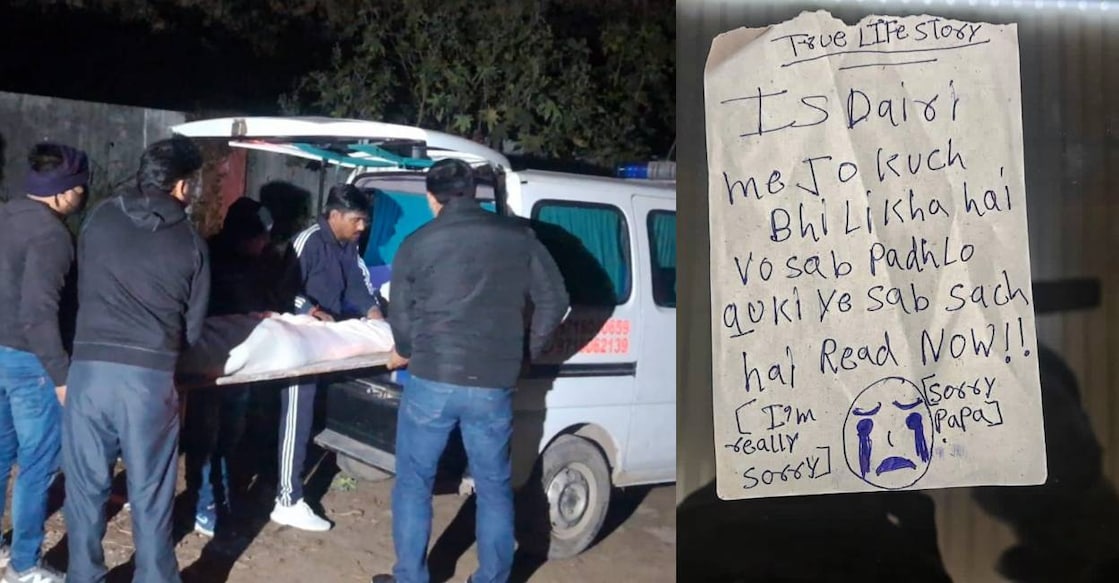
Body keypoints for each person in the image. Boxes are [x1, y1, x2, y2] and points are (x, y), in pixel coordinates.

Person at [372, 159, 569, 583]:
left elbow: (401, 316)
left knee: (414, 483)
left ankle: (411, 576)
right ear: (475, 192)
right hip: (495, 381)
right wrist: (525, 352)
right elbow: (555, 300)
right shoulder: (520, 237)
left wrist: (407, 349)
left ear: (432, 198)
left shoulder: (417, 242)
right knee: (494, 486)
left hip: (432, 378)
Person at [62, 135, 209, 583]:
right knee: (151, 492)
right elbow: (193, 331)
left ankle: (83, 575)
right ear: (182, 187)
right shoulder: (191, 244)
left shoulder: (100, 218)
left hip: (88, 371)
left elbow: (78, 287)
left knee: (85, 489)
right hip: (148, 380)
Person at [0, 143, 90, 583]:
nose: (82, 196)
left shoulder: (5, 214)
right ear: (60, 192)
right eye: (79, 188)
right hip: (30, 363)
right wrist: (61, 376)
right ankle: (24, 564)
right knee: (37, 465)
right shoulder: (52, 237)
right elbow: (39, 313)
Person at [273, 183, 385, 531]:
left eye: (365, 221)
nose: (361, 228)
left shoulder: (348, 245)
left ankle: (288, 483)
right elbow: (280, 289)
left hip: (327, 338)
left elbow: (357, 285)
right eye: (357, 220)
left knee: (309, 415)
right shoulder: (308, 241)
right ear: (334, 215)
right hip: (298, 338)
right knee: (297, 411)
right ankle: (287, 500)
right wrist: (311, 309)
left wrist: (375, 315)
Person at [183, 197, 281, 538]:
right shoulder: (210, 258)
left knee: (230, 438)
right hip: (211, 368)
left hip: (242, 367)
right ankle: (205, 505)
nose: (266, 243)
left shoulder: (259, 263)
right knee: (206, 441)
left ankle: (221, 499)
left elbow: (266, 300)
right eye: (261, 236)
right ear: (244, 235)